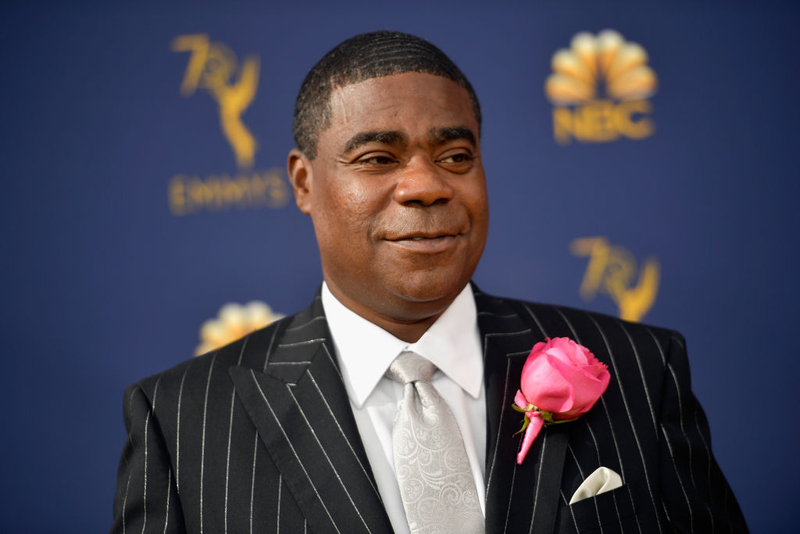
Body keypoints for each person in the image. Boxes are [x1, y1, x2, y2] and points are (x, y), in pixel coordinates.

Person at [111, 31, 748, 533]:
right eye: (377, 159)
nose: (426, 185)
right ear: (304, 183)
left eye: (455, 157)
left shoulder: (637, 371)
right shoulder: (183, 422)